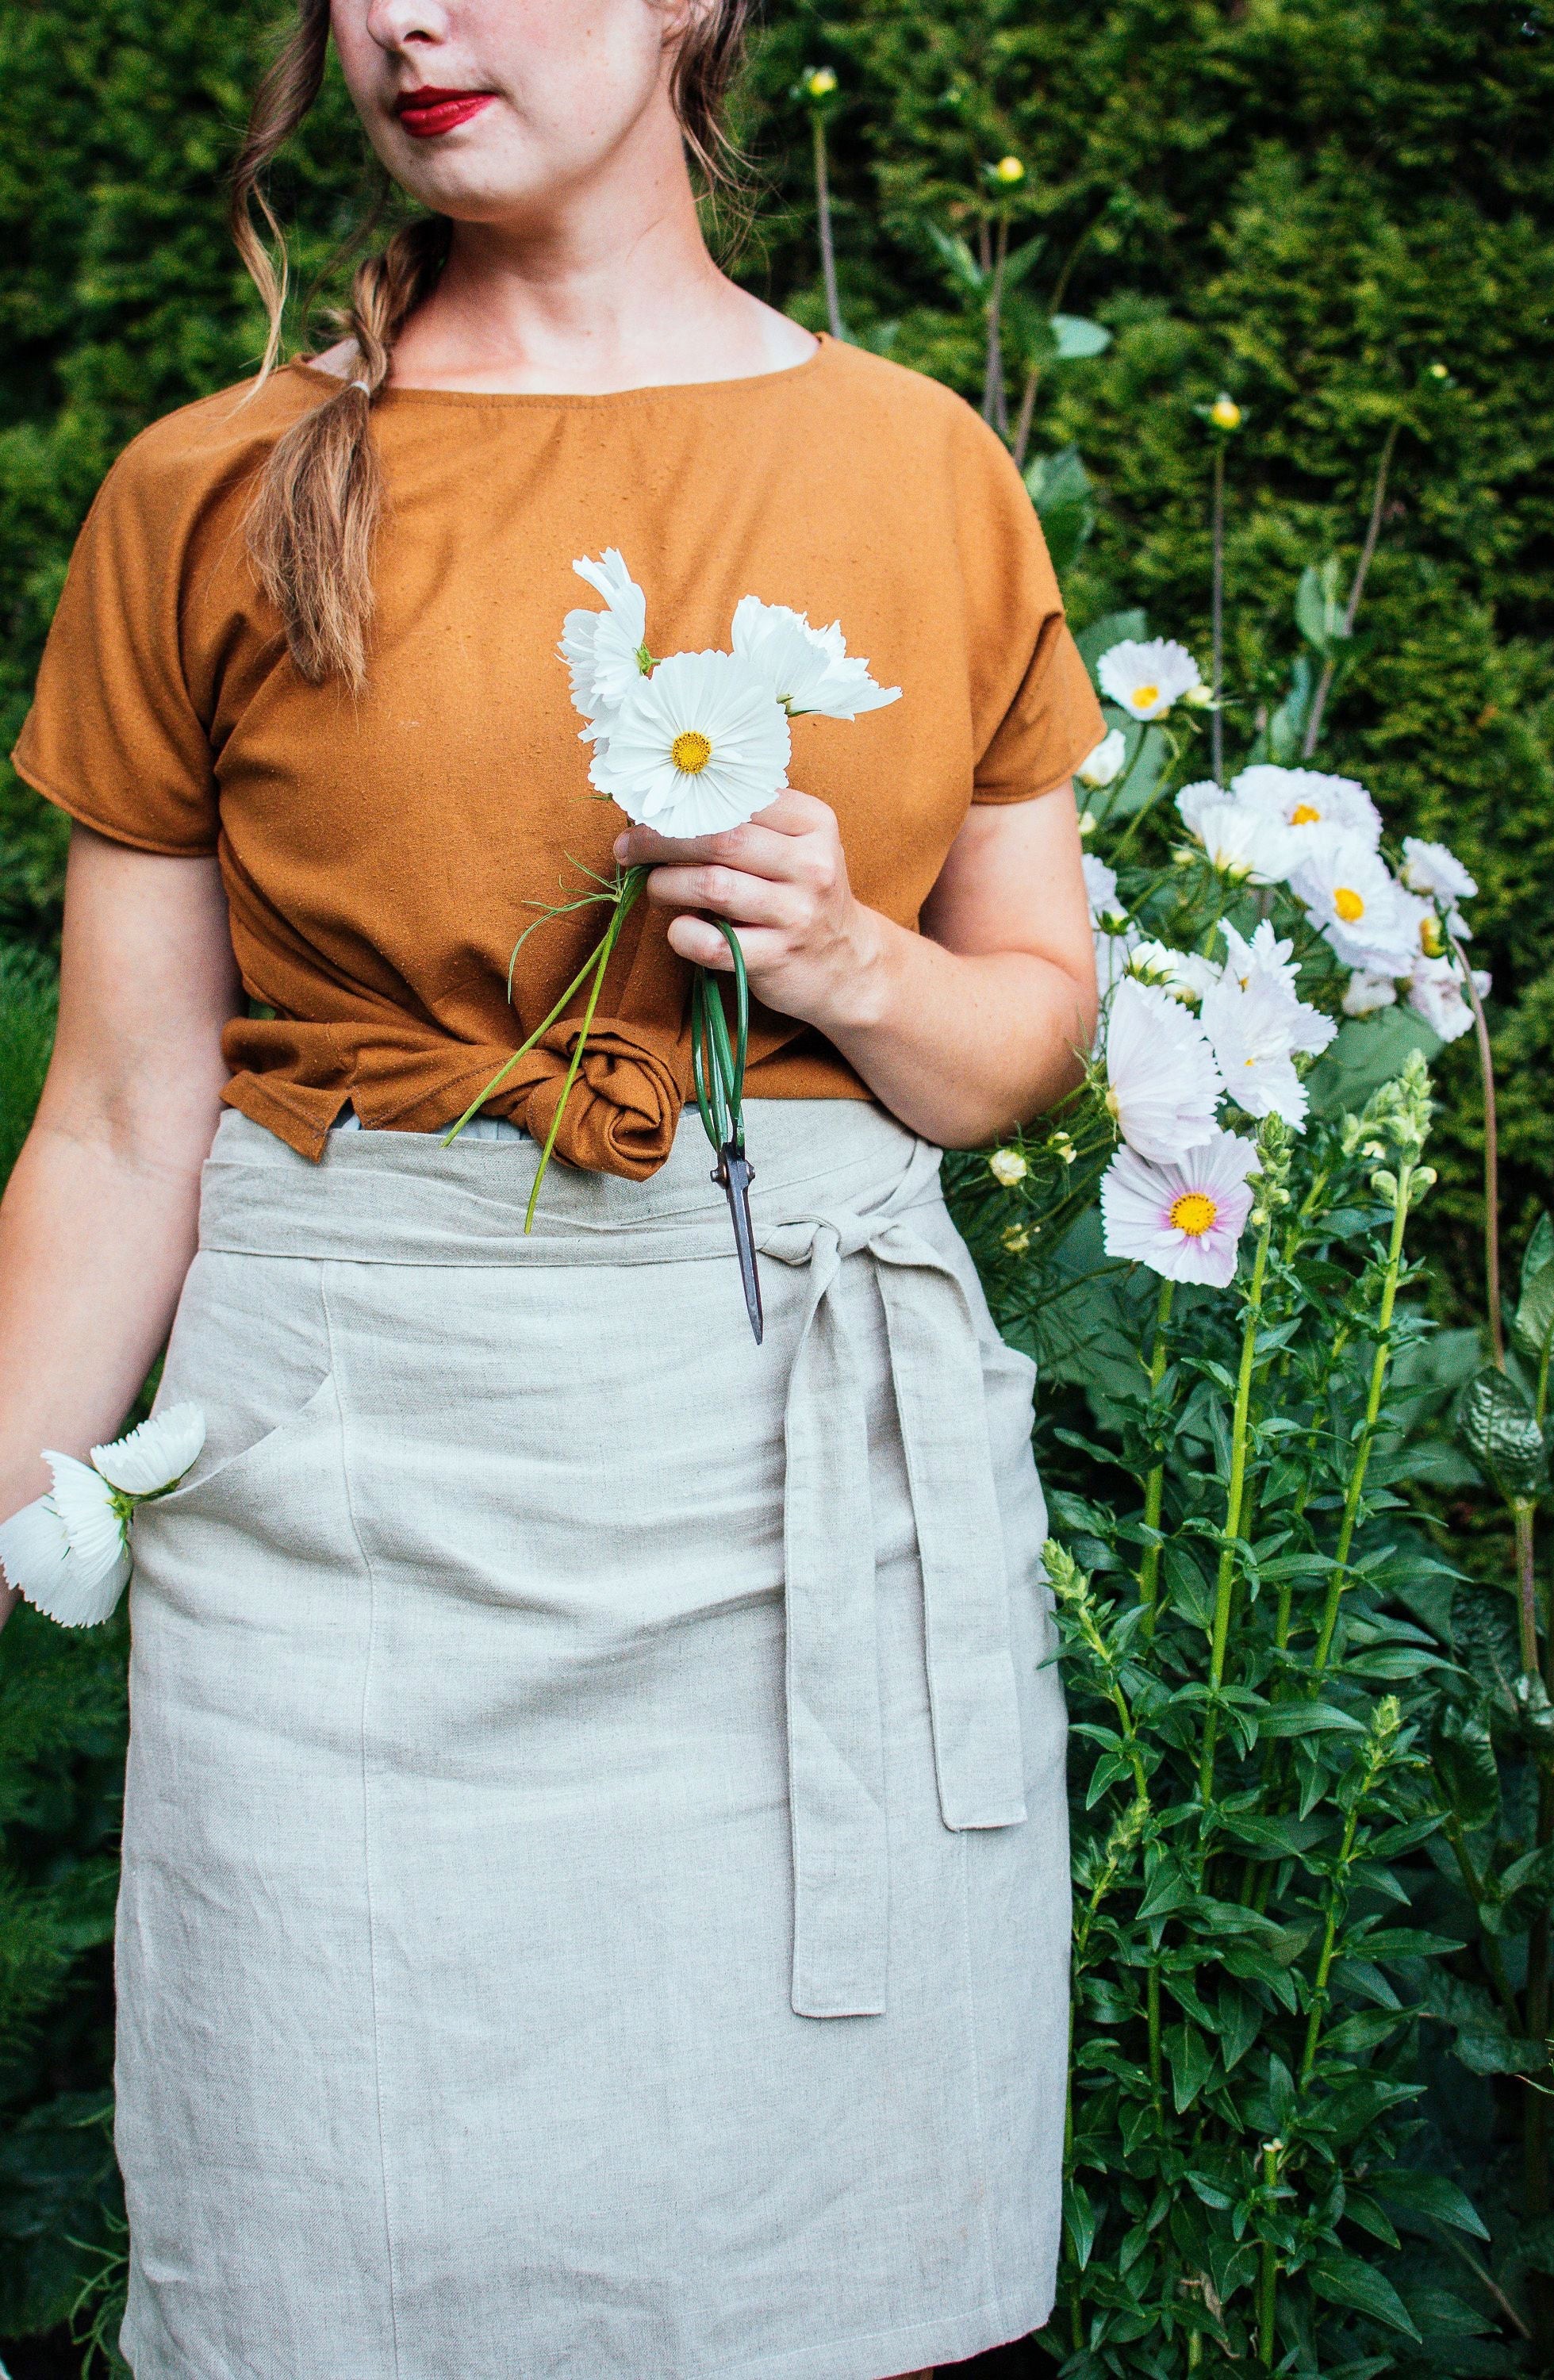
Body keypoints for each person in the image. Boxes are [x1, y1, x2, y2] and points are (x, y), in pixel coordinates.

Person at [0, 0, 1103, 2370]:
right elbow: (117, 1112)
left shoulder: (920, 471)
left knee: (854, 2302)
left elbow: (1024, 1030)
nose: (407, 17)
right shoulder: (208, 485)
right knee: (323, 2280)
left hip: (816, 1533)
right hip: (353, 1544)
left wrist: (847, 963)